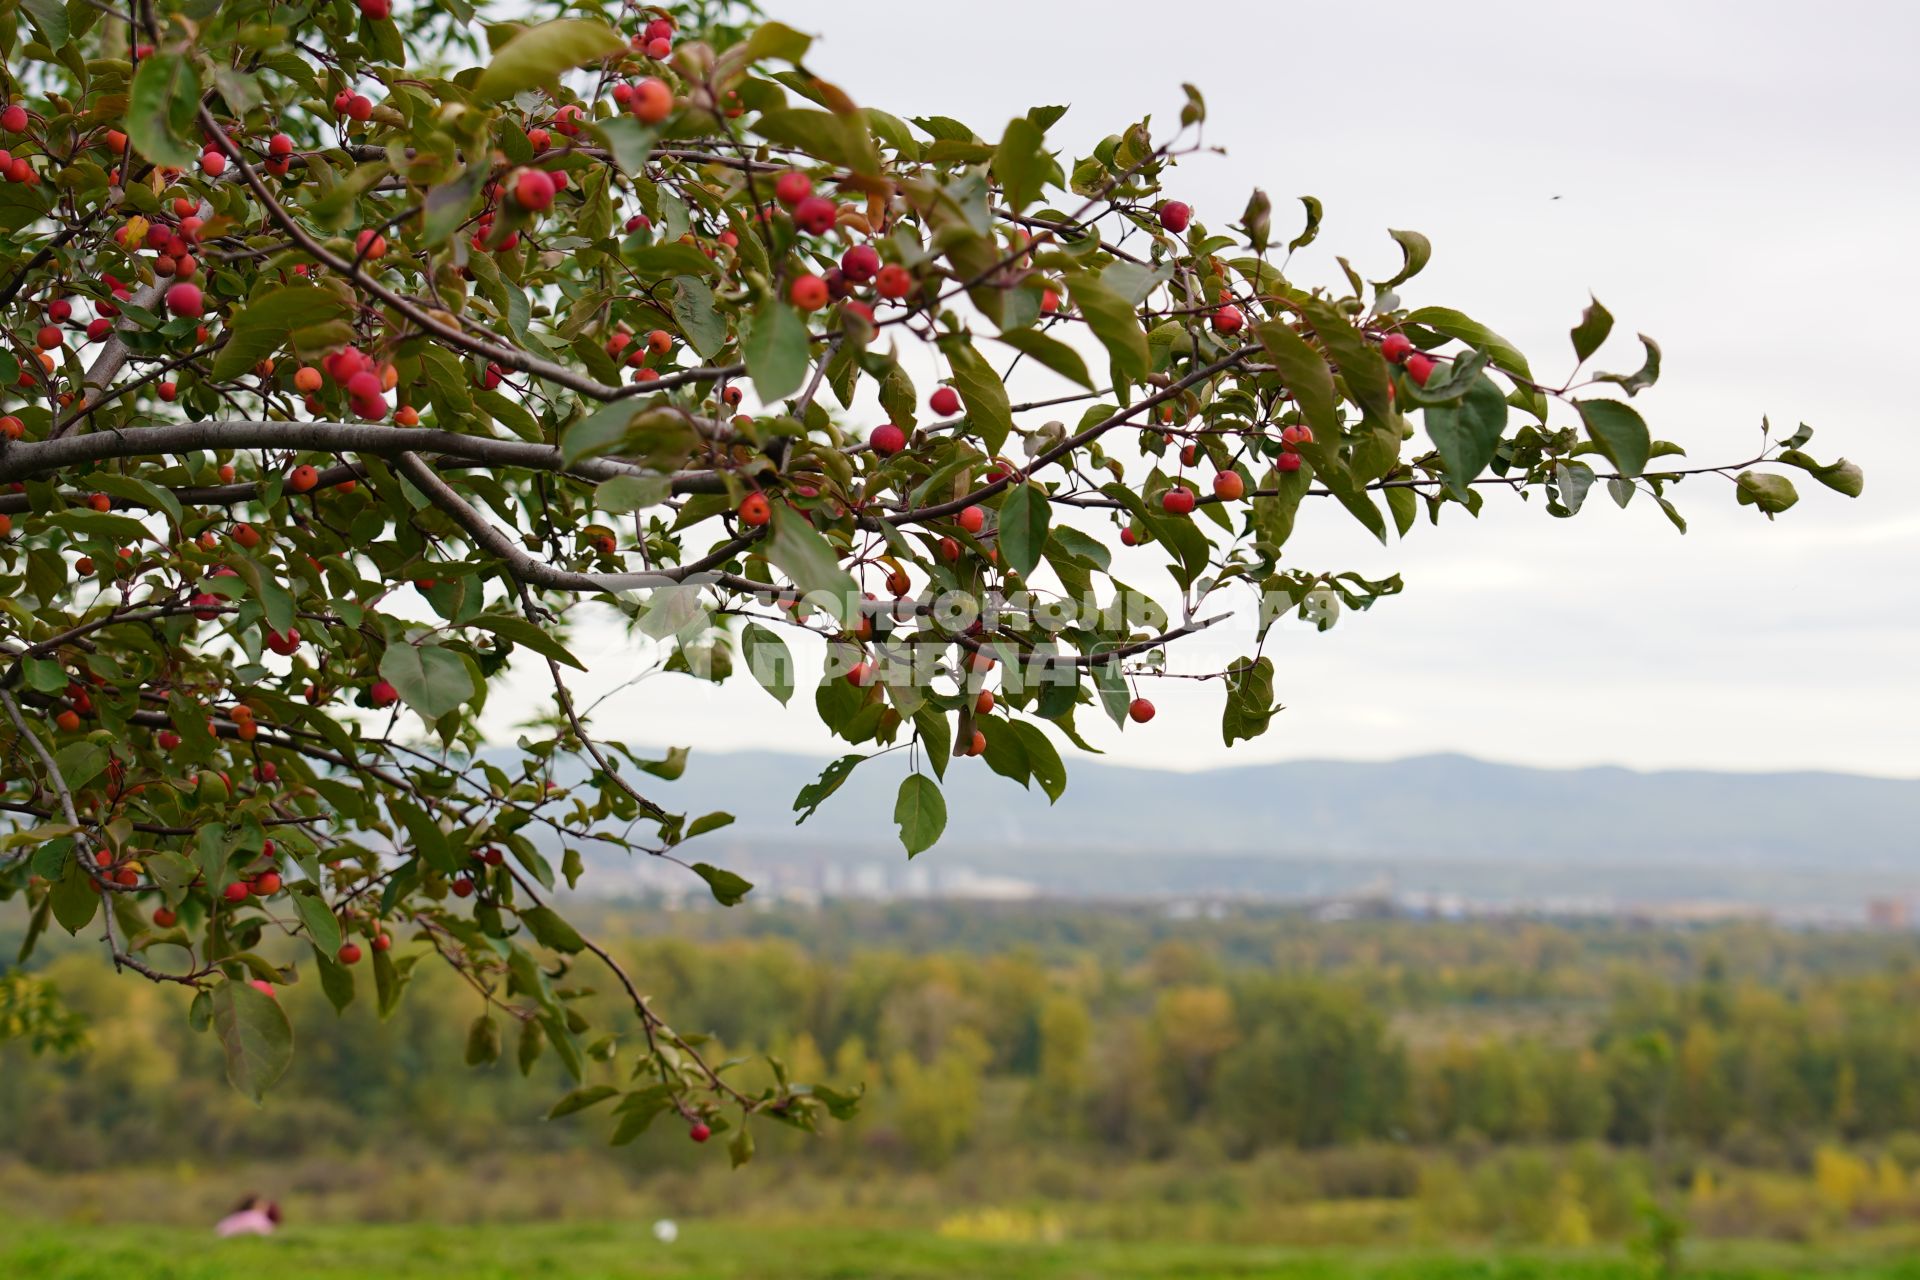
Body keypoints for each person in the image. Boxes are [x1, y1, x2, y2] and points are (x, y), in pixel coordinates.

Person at [215, 1194, 281, 1237]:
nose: (265, 1208)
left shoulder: (235, 1216)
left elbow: (220, 1229)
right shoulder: (257, 1217)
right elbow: (267, 1231)